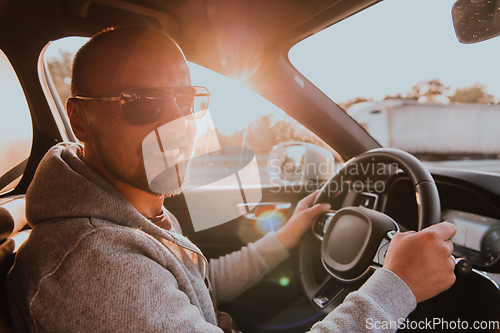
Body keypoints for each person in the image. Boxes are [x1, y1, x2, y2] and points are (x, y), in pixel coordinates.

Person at [7, 26, 457, 332]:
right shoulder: (96, 267)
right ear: (80, 120)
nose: (175, 124)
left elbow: (198, 284)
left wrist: (284, 237)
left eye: (184, 99)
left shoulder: (129, 210)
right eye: (140, 101)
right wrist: (395, 288)